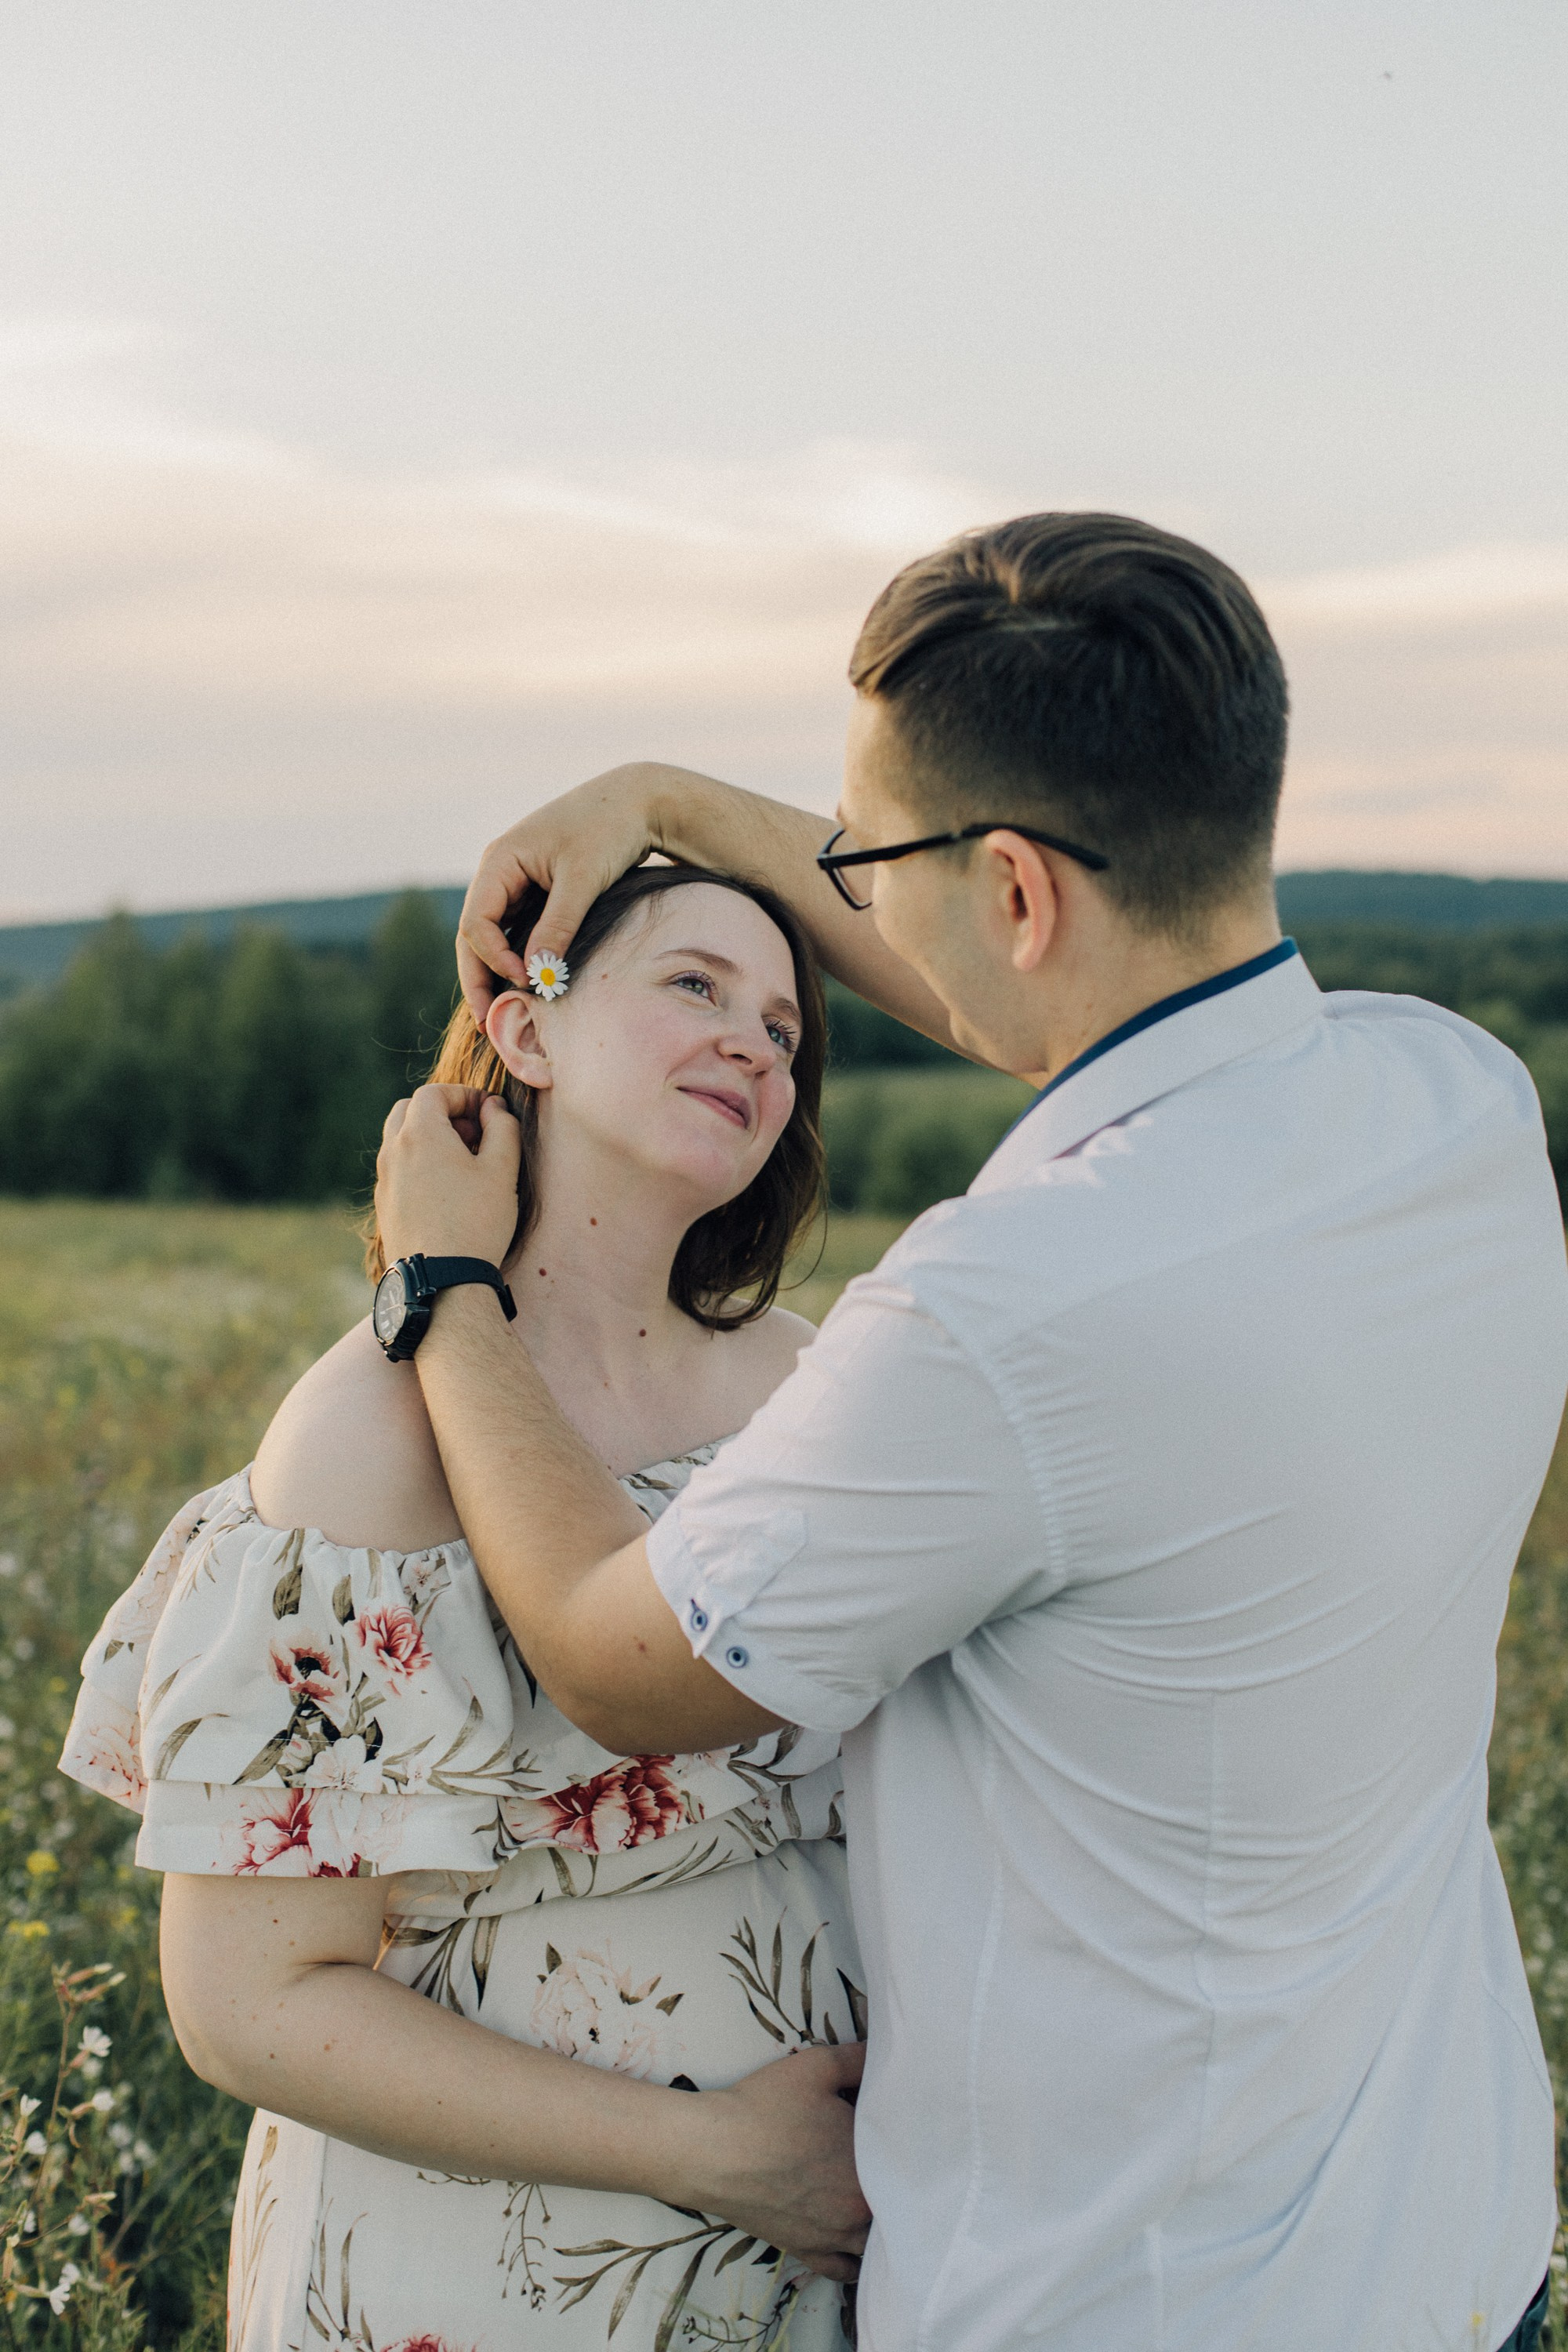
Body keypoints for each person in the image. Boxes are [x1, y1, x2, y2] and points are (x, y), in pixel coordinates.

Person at [374, 512, 1568, 2352]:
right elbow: (1035, 990)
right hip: (1451, 2239)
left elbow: (622, 1661)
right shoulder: (1455, 1100)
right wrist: (670, 799)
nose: (846, 888)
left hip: (1134, 2302)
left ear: (1012, 893)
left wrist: (445, 1293)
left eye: (868, 855)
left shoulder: (1011, 1309)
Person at [60, 865, 869, 2352]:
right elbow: (245, 2003)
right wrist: (724, 2156)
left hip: (819, 2260)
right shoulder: (368, 1434)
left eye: (784, 1026)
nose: (759, 1041)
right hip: (489, 2268)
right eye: (694, 985)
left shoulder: (809, 1388)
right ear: (531, 1034)